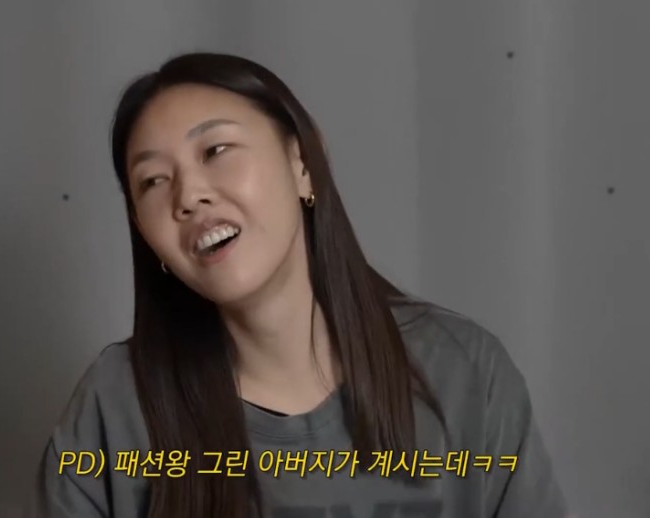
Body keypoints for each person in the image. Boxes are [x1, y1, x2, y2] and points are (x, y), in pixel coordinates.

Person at [32, 52, 568, 518]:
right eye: (153, 181)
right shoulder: (115, 407)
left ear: (303, 164)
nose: (188, 196)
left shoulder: (462, 370)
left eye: (215, 151)